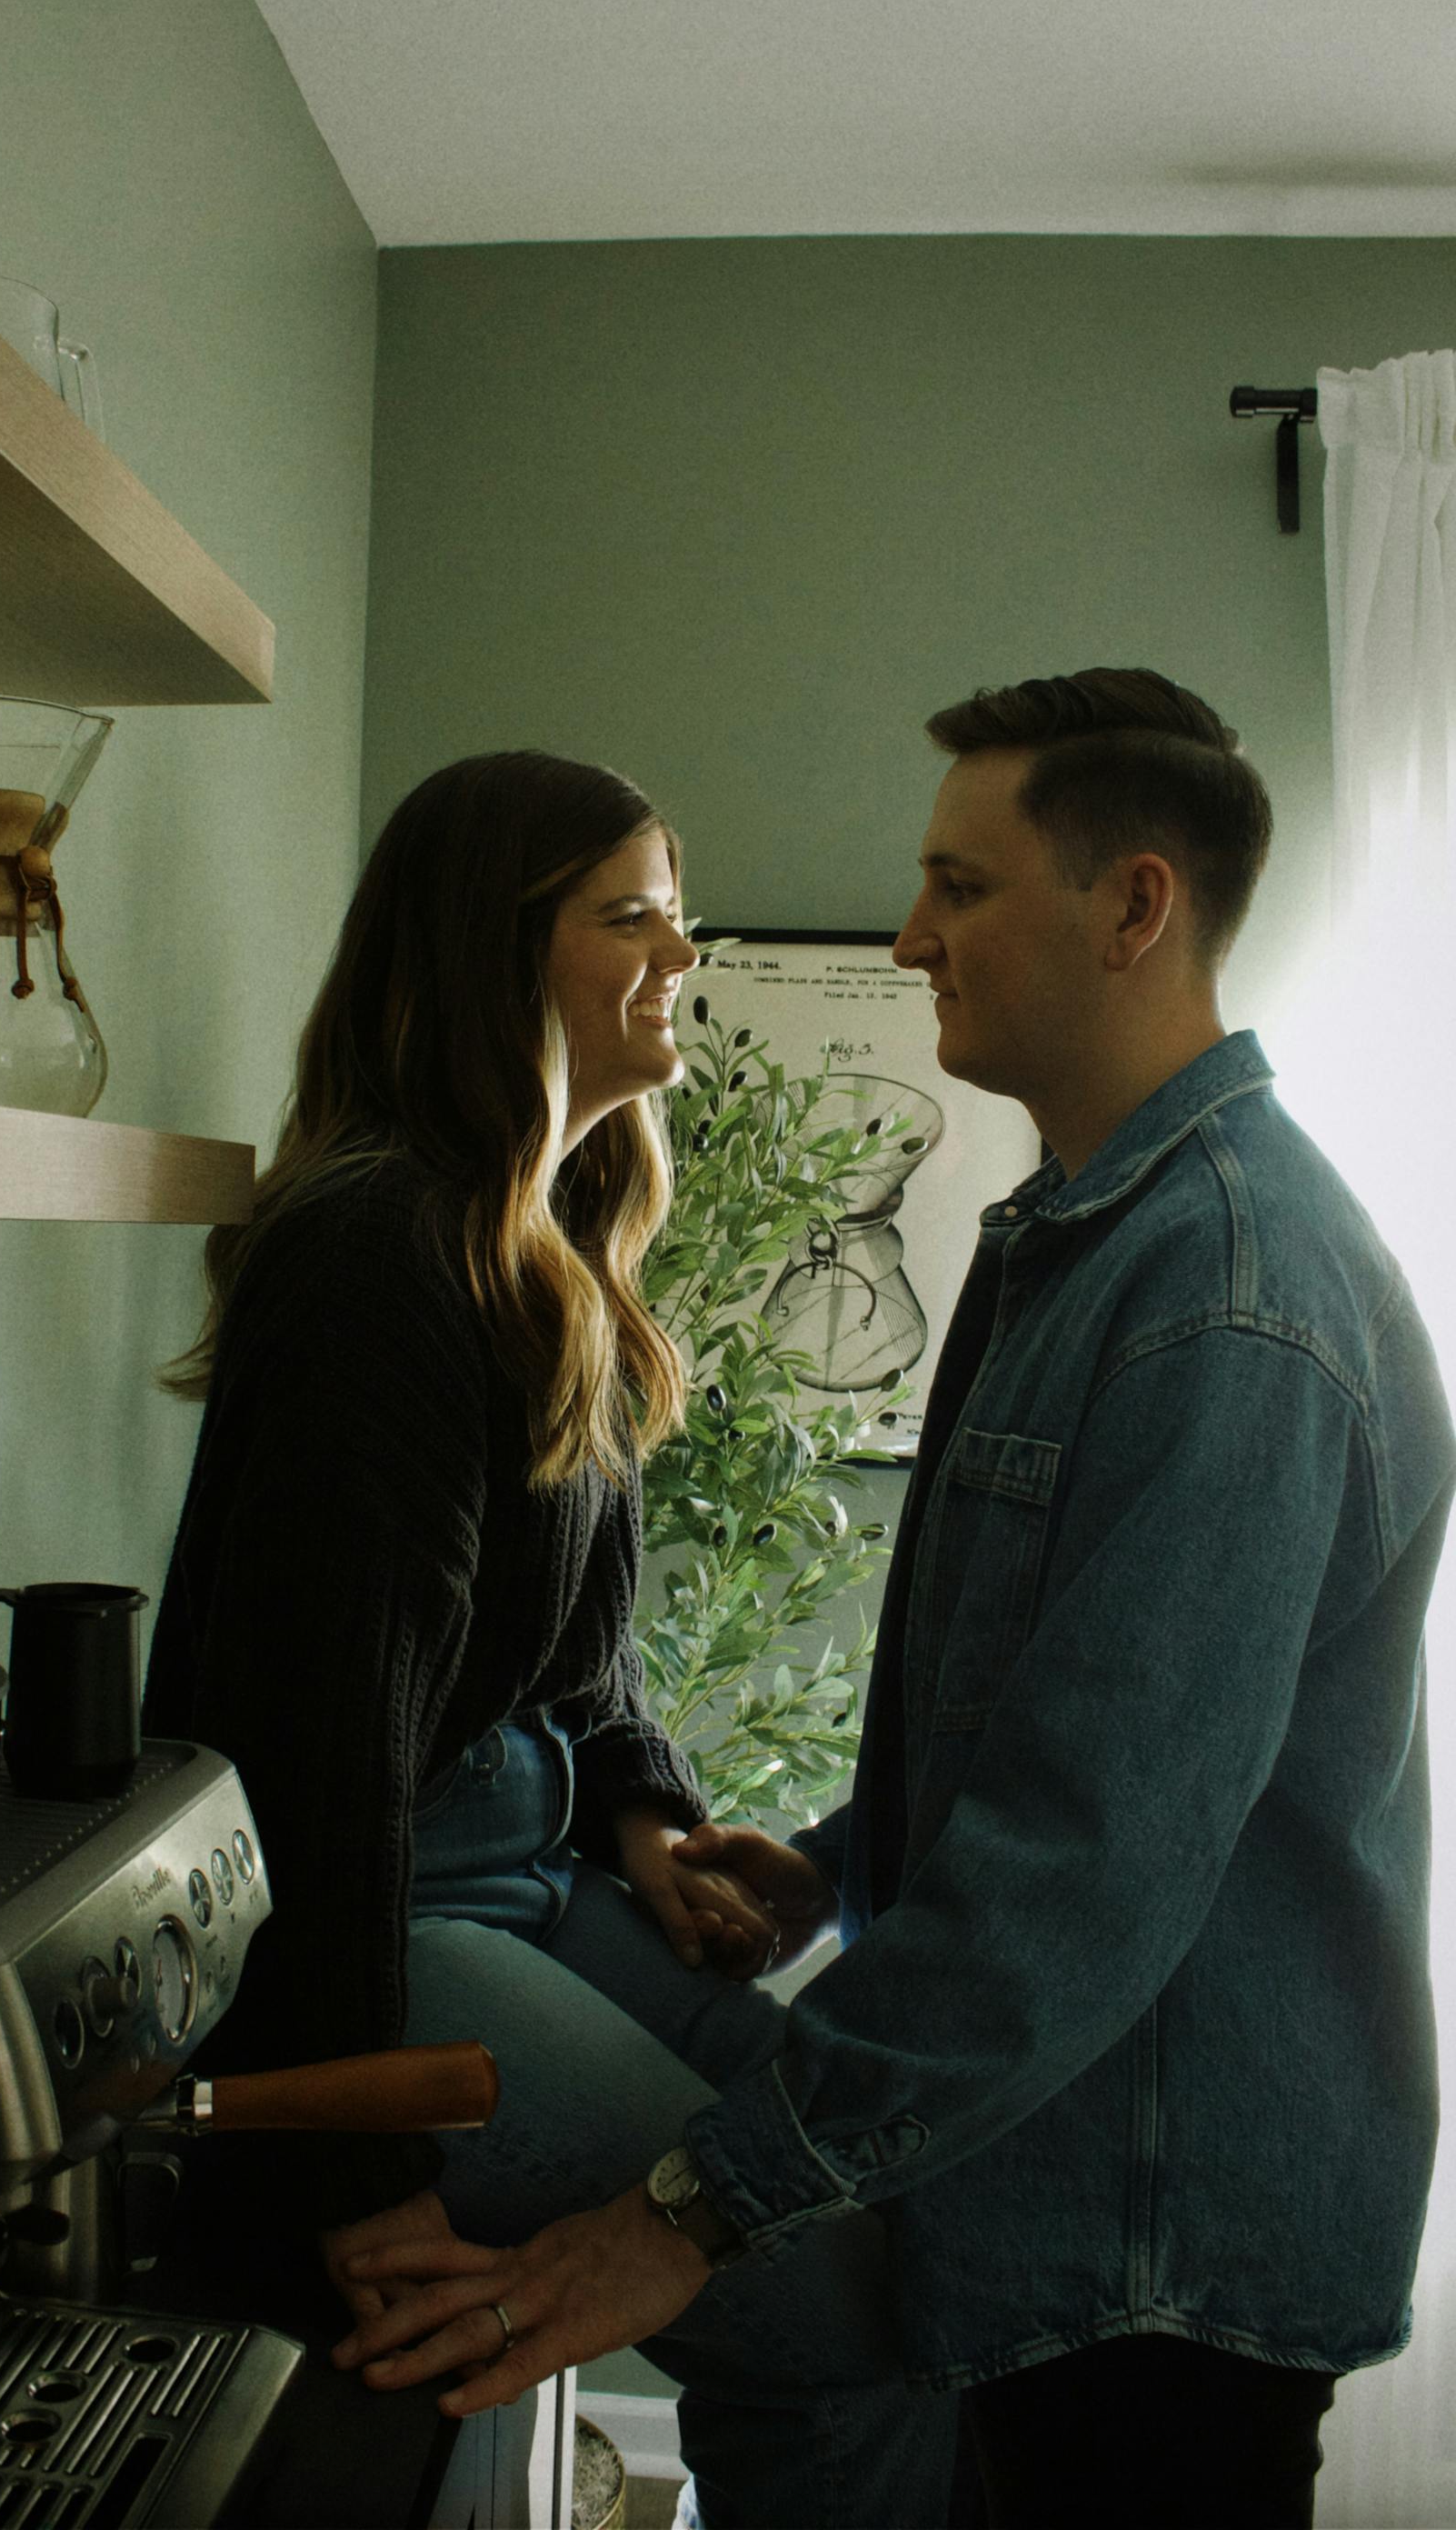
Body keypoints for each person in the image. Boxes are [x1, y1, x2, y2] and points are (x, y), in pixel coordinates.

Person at [334, 673, 1456, 2530]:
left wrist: (684, 2218)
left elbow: (1087, 1863)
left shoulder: (1230, 1309)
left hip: (1148, 2252)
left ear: (1135, 907)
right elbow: (1065, 1723)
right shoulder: (1077, 1243)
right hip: (1058, 2201)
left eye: (963, 884)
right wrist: (840, 1860)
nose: (914, 931)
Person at [143, 748, 962, 2530]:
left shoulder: (550, 1248)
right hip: (391, 1918)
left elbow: (577, 1673)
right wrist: (356, 2166)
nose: (684, 949)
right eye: (634, 915)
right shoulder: (382, 1261)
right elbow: (317, 1765)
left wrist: (652, 1822)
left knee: (857, 2184)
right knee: (838, 2298)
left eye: (678, 911)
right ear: (492, 955)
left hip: (520, 1865)